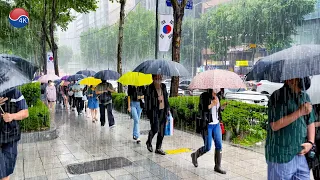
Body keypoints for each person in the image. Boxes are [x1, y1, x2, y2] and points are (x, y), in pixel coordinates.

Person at [266, 77, 315, 180]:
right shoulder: (278, 96)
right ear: (289, 79)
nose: (303, 79)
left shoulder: (305, 96)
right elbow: (275, 125)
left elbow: (311, 122)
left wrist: (310, 142)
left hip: (300, 152)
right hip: (281, 155)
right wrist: (299, 112)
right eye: (299, 78)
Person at [191, 88, 227, 174]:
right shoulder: (204, 96)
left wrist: (222, 107)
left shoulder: (218, 96)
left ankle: (217, 166)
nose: (218, 89)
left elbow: (217, 110)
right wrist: (211, 105)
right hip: (207, 124)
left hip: (216, 124)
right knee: (208, 147)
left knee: (219, 145)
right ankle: (195, 155)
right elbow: (202, 109)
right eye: (216, 87)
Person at [0, 88, 29, 180]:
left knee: (7, 169)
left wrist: (12, 116)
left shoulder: (15, 92)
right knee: (2, 171)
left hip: (11, 137)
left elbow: (25, 112)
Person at [144, 75, 169, 155]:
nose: (159, 79)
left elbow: (166, 99)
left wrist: (168, 110)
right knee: (155, 128)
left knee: (162, 130)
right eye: (157, 78)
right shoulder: (149, 88)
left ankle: (158, 148)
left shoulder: (163, 86)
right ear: (153, 78)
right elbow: (147, 102)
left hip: (163, 111)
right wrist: (149, 113)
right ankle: (149, 142)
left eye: (160, 77)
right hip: (154, 112)